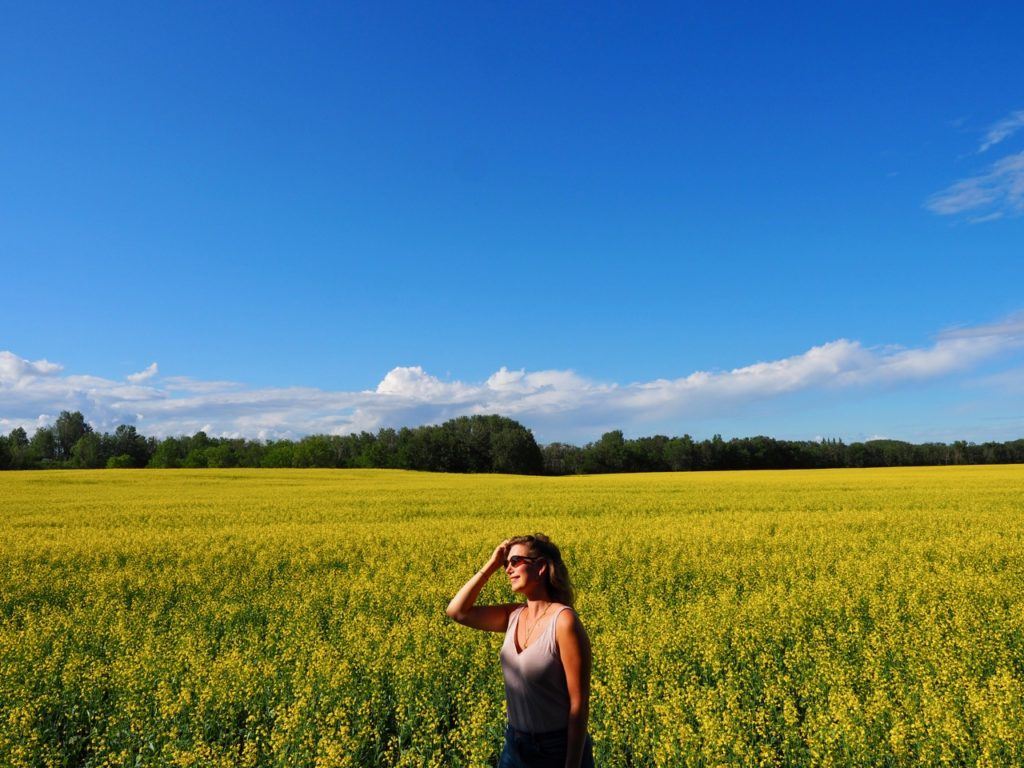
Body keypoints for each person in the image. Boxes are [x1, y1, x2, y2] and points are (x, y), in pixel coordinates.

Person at [446, 534, 594, 768]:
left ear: (541, 567)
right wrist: (491, 565)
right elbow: (457, 611)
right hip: (516, 745)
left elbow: (579, 705)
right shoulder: (513, 615)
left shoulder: (563, 622)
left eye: (515, 561)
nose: (508, 569)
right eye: (506, 564)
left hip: (557, 748)